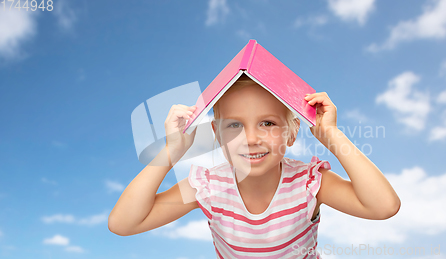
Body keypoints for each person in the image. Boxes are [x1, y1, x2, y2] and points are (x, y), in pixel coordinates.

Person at [108, 75, 401, 258]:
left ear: (292, 131)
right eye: (234, 125)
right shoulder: (208, 187)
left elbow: (383, 207)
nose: (250, 138)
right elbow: (124, 224)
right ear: (218, 134)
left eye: (268, 123)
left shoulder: (309, 183)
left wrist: (332, 136)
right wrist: (172, 151)